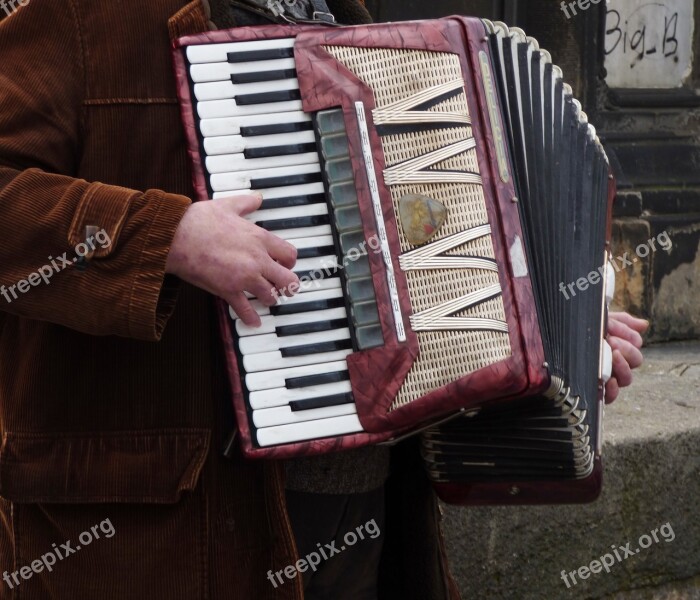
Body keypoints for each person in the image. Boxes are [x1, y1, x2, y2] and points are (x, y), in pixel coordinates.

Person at [0, 1, 647, 598]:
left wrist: (559, 332)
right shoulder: (83, 18)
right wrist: (165, 237)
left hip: (358, 506)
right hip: (167, 531)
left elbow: (424, 262)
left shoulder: (348, 17)